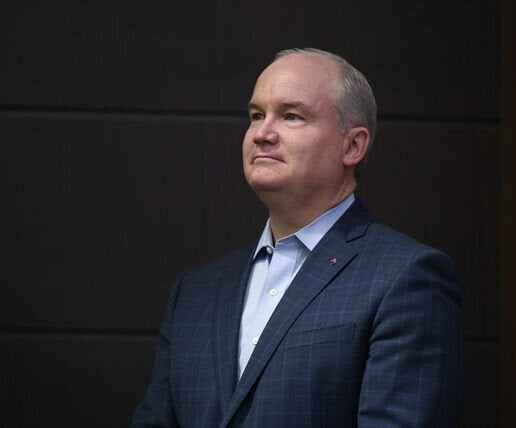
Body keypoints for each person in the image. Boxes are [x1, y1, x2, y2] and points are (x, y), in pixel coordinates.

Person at [132, 48, 462, 427]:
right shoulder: (194, 292)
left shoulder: (407, 278)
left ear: (352, 146)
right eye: (256, 115)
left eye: (291, 116)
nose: (262, 133)